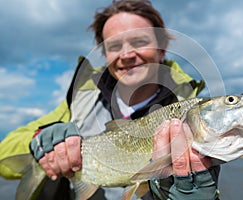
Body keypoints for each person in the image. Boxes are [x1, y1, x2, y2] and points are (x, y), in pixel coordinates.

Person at [0, 0, 220, 199]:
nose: (126, 54)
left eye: (139, 41)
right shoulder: (81, 100)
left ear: (162, 49)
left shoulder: (194, 114)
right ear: (105, 55)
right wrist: (38, 141)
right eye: (114, 46)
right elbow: (4, 155)